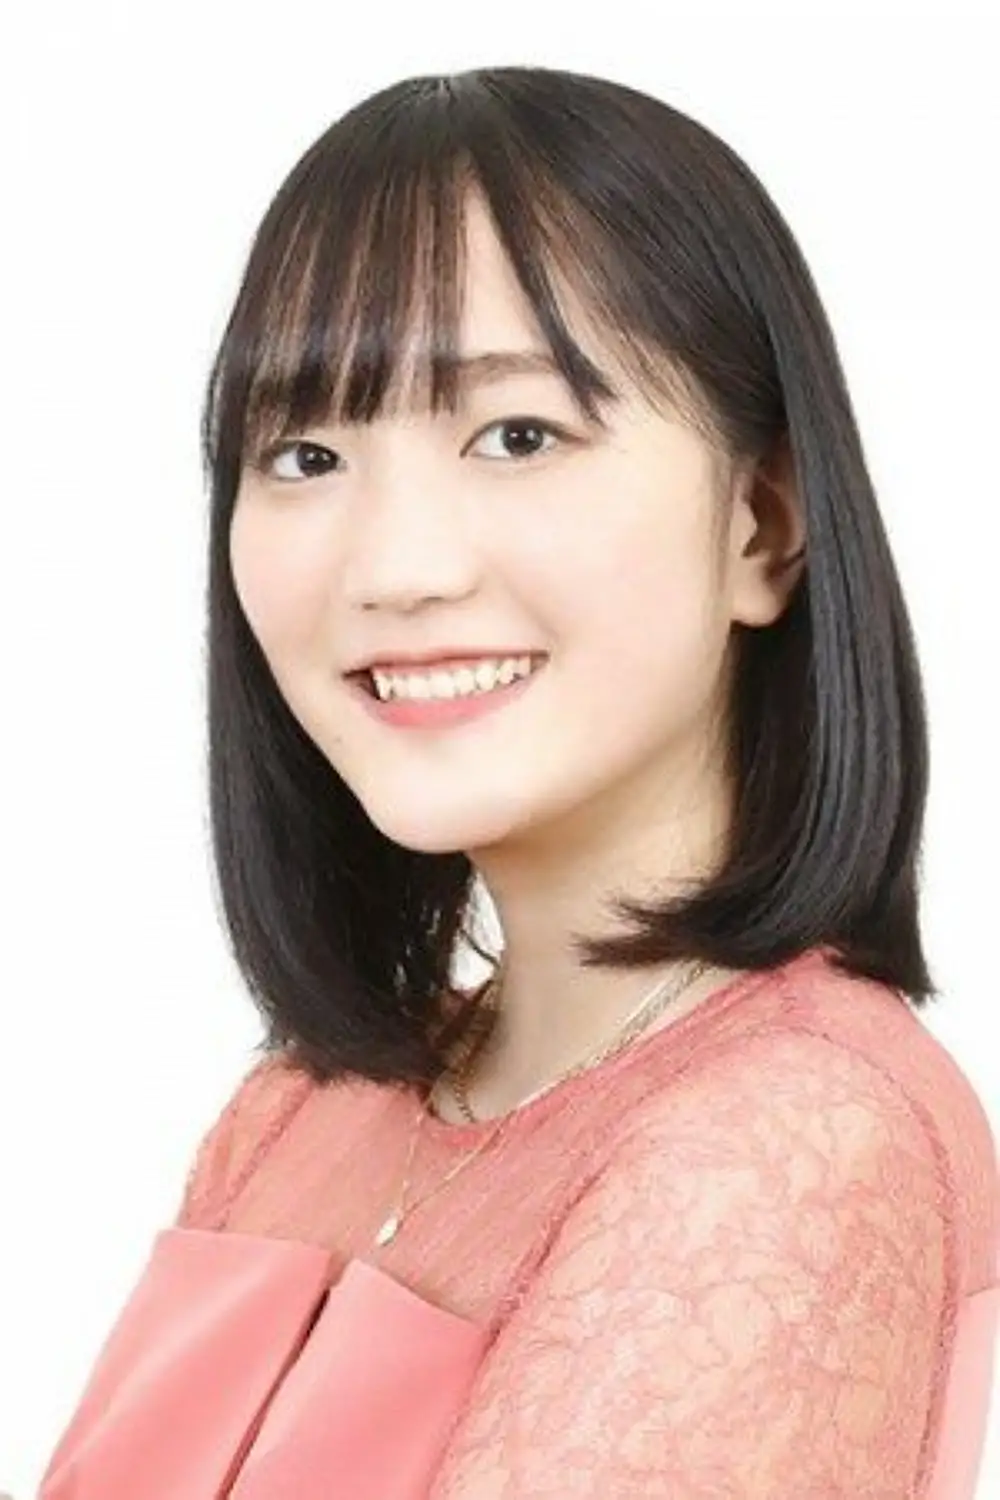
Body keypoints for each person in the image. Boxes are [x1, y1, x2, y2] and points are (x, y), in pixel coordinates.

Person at [38, 64, 999, 1498]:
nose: (395, 568)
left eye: (518, 436)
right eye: (305, 453)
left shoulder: (787, 1138)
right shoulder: (306, 1109)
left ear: (763, 523)